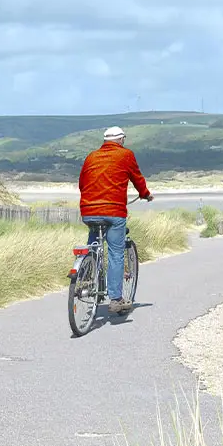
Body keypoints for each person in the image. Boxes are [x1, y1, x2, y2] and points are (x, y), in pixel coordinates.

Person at [78, 126, 153, 314]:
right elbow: (137, 179)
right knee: (116, 253)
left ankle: (86, 274)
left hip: (89, 210)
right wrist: (145, 194)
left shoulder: (91, 157)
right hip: (113, 211)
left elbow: (82, 183)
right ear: (121, 140)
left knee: (94, 245)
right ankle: (116, 298)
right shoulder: (125, 155)